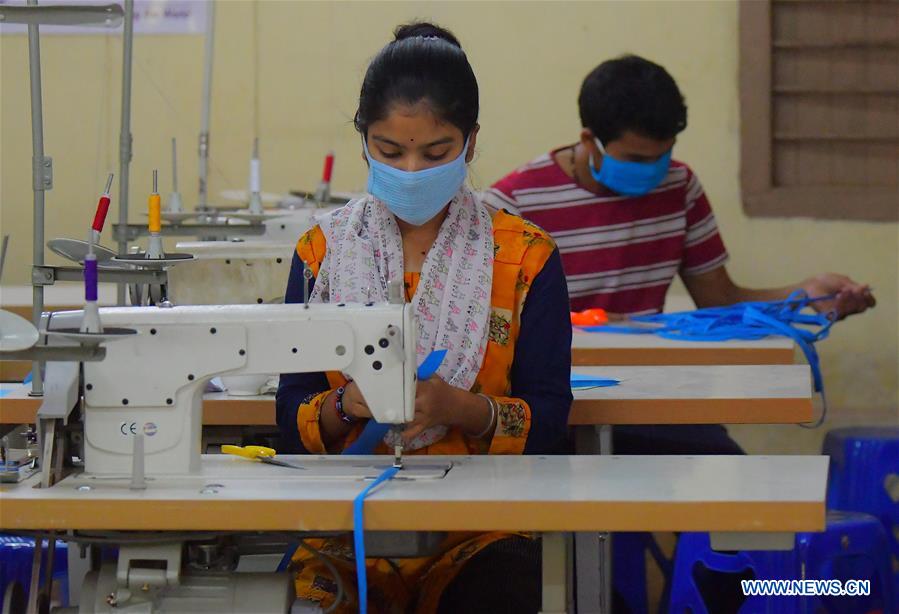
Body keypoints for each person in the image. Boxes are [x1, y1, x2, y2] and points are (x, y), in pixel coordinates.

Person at [276, 22, 572, 614]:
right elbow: (289, 412)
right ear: (364, 140)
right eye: (390, 152)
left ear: (470, 142)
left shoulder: (525, 259)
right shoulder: (322, 254)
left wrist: (459, 408)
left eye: (435, 153)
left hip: (479, 527)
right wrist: (347, 406)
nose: (411, 170)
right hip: (349, 522)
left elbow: (551, 420)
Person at [483, 54, 875, 456]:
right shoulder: (512, 206)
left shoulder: (680, 187)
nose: (653, 170)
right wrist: (585, 325)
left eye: (663, 155)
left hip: (651, 398)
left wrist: (806, 296)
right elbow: (486, 326)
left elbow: (720, 301)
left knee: (728, 466)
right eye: (637, 160)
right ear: (589, 141)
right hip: (550, 407)